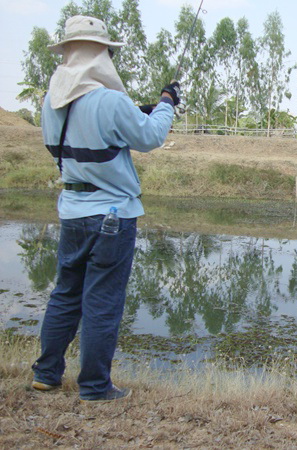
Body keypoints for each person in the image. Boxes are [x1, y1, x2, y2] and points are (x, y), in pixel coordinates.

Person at [31, 15, 180, 403]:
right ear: (102, 55)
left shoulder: (51, 103)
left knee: (65, 293)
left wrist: (138, 110)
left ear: (68, 52)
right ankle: (95, 387)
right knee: (102, 302)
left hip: (73, 211)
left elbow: (76, 141)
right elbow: (149, 137)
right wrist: (166, 103)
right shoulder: (110, 101)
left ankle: (46, 374)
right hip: (112, 217)